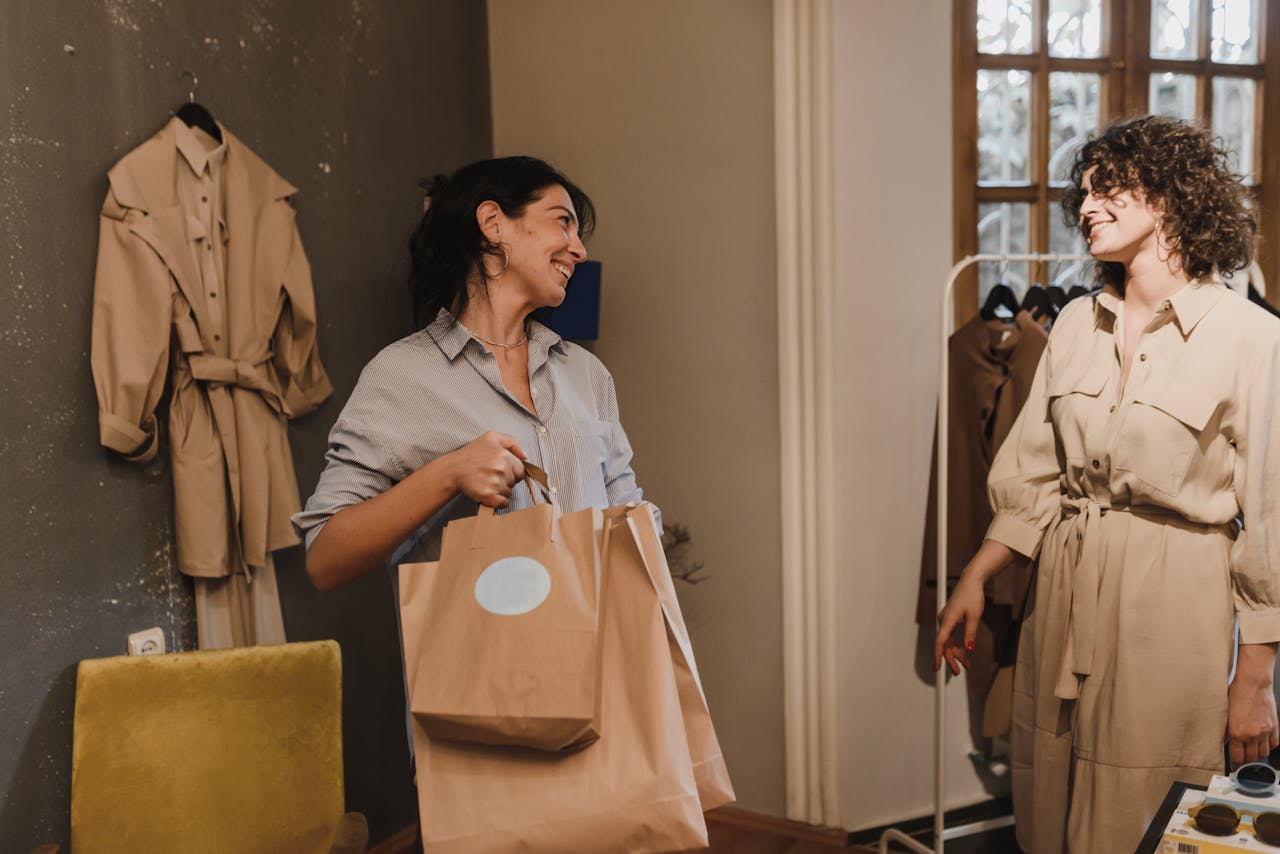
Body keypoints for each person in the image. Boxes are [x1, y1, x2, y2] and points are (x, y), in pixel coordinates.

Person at [934, 115, 1280, 852]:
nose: (1086, 207)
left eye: (1107, 188)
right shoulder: (1072, 326)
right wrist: (977, 573)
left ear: (1168, 196)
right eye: (1082, 194)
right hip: (1062, 589)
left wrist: (1253, 681)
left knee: (1145, 804)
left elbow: (1272, 520)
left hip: (1174, 599)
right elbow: (1034, 474)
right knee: (1048, 791)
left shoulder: (1252, 339)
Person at [293, 155, 652, 594]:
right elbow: (325, 559)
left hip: (600, 656)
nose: (580, 250)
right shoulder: (401, 376)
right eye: (563, 222)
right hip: (484, 661)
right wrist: (448, 475)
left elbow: (627, 514)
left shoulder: (587, 374)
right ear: (493, 223)